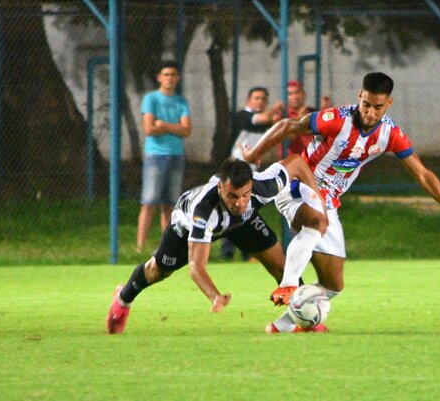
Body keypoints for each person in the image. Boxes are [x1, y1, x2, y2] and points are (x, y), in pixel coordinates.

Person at [241, 71, 440, 333]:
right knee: (316, 222)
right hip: (299, 183)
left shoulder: (390, 134)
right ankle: (289, 283)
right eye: (366, 104)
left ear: (388, 104)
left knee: (333, 284)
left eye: (377, 107)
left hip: (329, 199)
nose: (370, 112)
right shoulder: (337, 119)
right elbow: (288, 125)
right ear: (360, 96)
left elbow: (423, 175)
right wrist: (254, 154)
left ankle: (286, 324)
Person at [106, 154, 328, 334]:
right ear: (220, 187)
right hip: (186, 229)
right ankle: (122, 300)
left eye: (245, 195)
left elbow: (298, 163)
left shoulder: (265, 186)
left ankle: (303, 317)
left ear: (252, 185)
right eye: (233, 196)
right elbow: (196, 267)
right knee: (157, 271)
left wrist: (321, 204)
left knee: (281, 265)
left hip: (242, 224)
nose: (240, 202)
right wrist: (215, 296)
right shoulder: (204, 211)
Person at [222, 87, 284, 260]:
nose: (260, 101)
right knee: (232, 209)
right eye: (256, 98)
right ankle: (229, 250)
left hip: (251, 172)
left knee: (245, 210)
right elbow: (263, 118)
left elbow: (274, 129)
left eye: (263, 99)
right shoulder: (243, 116)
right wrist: (276, 109)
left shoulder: (264, 122)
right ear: (248, 101)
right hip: (234, 170)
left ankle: (245, 251)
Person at [136, 60, 192, 254]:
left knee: (170, 204)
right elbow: (149, 128)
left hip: (176, 155)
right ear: (159, 77)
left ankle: (167, 247)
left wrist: (165, 125)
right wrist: (175, 127)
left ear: (177, 78)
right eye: (166, 74)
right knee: (149, 201)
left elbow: (187, 130)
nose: (169, 78)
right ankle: (140, 247)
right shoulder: (150, 99)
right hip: (155, 156)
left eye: (173, 75)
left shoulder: (181, 101)